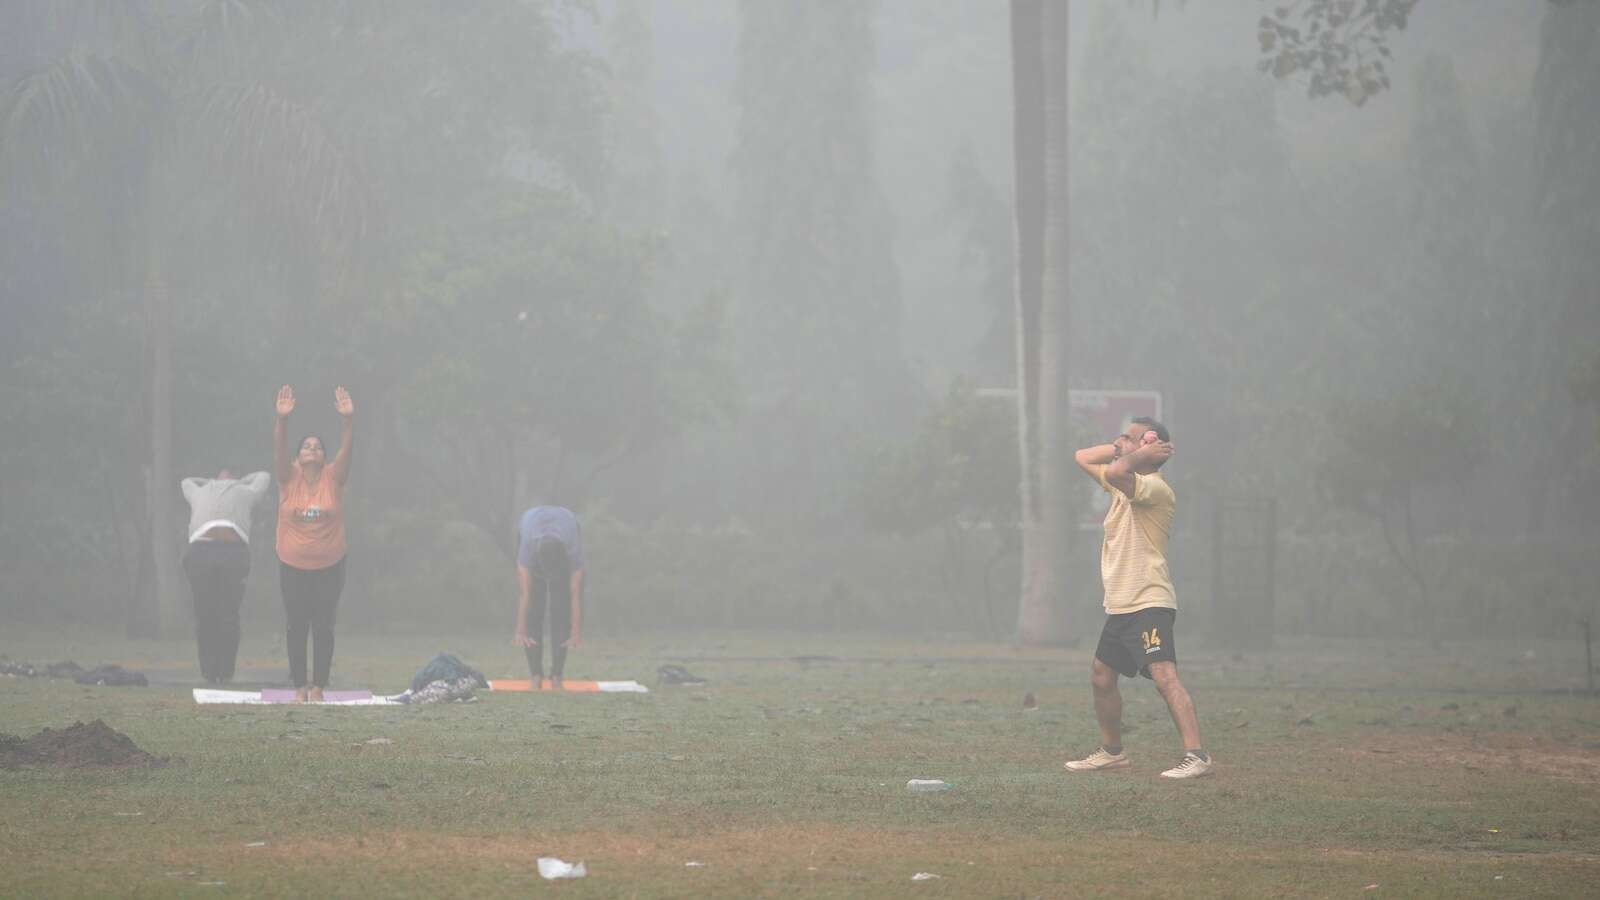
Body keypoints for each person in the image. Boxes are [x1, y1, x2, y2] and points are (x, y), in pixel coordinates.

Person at [1064, 416, 1213, 779]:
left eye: (1130, 438)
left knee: (1164, 676)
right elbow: (1082, 456)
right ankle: (1112, 752)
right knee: (1101, 676)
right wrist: (1123, 445)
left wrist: (1135, 453)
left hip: (1149, 601)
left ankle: (1197, 756)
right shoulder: (1122, 486)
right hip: (1121, 604)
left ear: (1150, 450)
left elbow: (1116, 472)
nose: (1119, 442)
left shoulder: (1155, 488)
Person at [273, 384, 355, 703]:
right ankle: (298, 687)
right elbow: (278, 450)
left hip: (330, 565)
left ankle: (318, 686)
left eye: (318, 447)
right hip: (292, 564)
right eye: (306, 446)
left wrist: (349, 421)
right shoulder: (287, 477)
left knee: (323, 625)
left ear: (324, 456)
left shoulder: (334, 478)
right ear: (298, 456)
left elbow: (348, 452)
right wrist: (282, 421)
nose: (312, 449)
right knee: (296, 625)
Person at [180, 468, 271, 683]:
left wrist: (239, 481)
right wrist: (209, 480)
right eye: (221, 474)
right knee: (204, 614)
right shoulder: (199, 493)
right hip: (200, 551)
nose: (225, 474)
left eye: (229, 474)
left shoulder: (245, 492)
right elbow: (186, 480)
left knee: (228, 614)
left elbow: (264, 476)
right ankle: (209, 672)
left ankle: (225, 672)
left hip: (233, 552)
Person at [512, 506, 585, 690]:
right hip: (531, 530)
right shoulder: (527, 549)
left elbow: (575, 591)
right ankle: (536, 675)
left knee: (561, 611)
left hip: (566, 527)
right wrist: (521, 629)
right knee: (534, 610)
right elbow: (525, 593)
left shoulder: (572, 547)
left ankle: (557, 676)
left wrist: (576, 631)